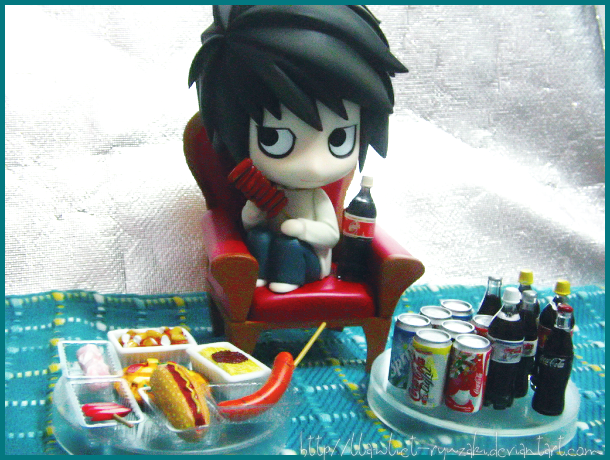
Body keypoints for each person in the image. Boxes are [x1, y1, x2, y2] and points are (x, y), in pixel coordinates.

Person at [188, 5, 406, 293]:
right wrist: (253, 213)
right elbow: (250, 224)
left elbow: (330, 235)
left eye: (338, 139)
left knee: (289, 244)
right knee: (262, 238)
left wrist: (303, 229)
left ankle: (288, 278)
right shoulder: (268, 191)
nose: (313, 165)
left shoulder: (317, 199)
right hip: (269, 256)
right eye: (275, 139)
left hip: (309, 262)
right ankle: (260, 274)